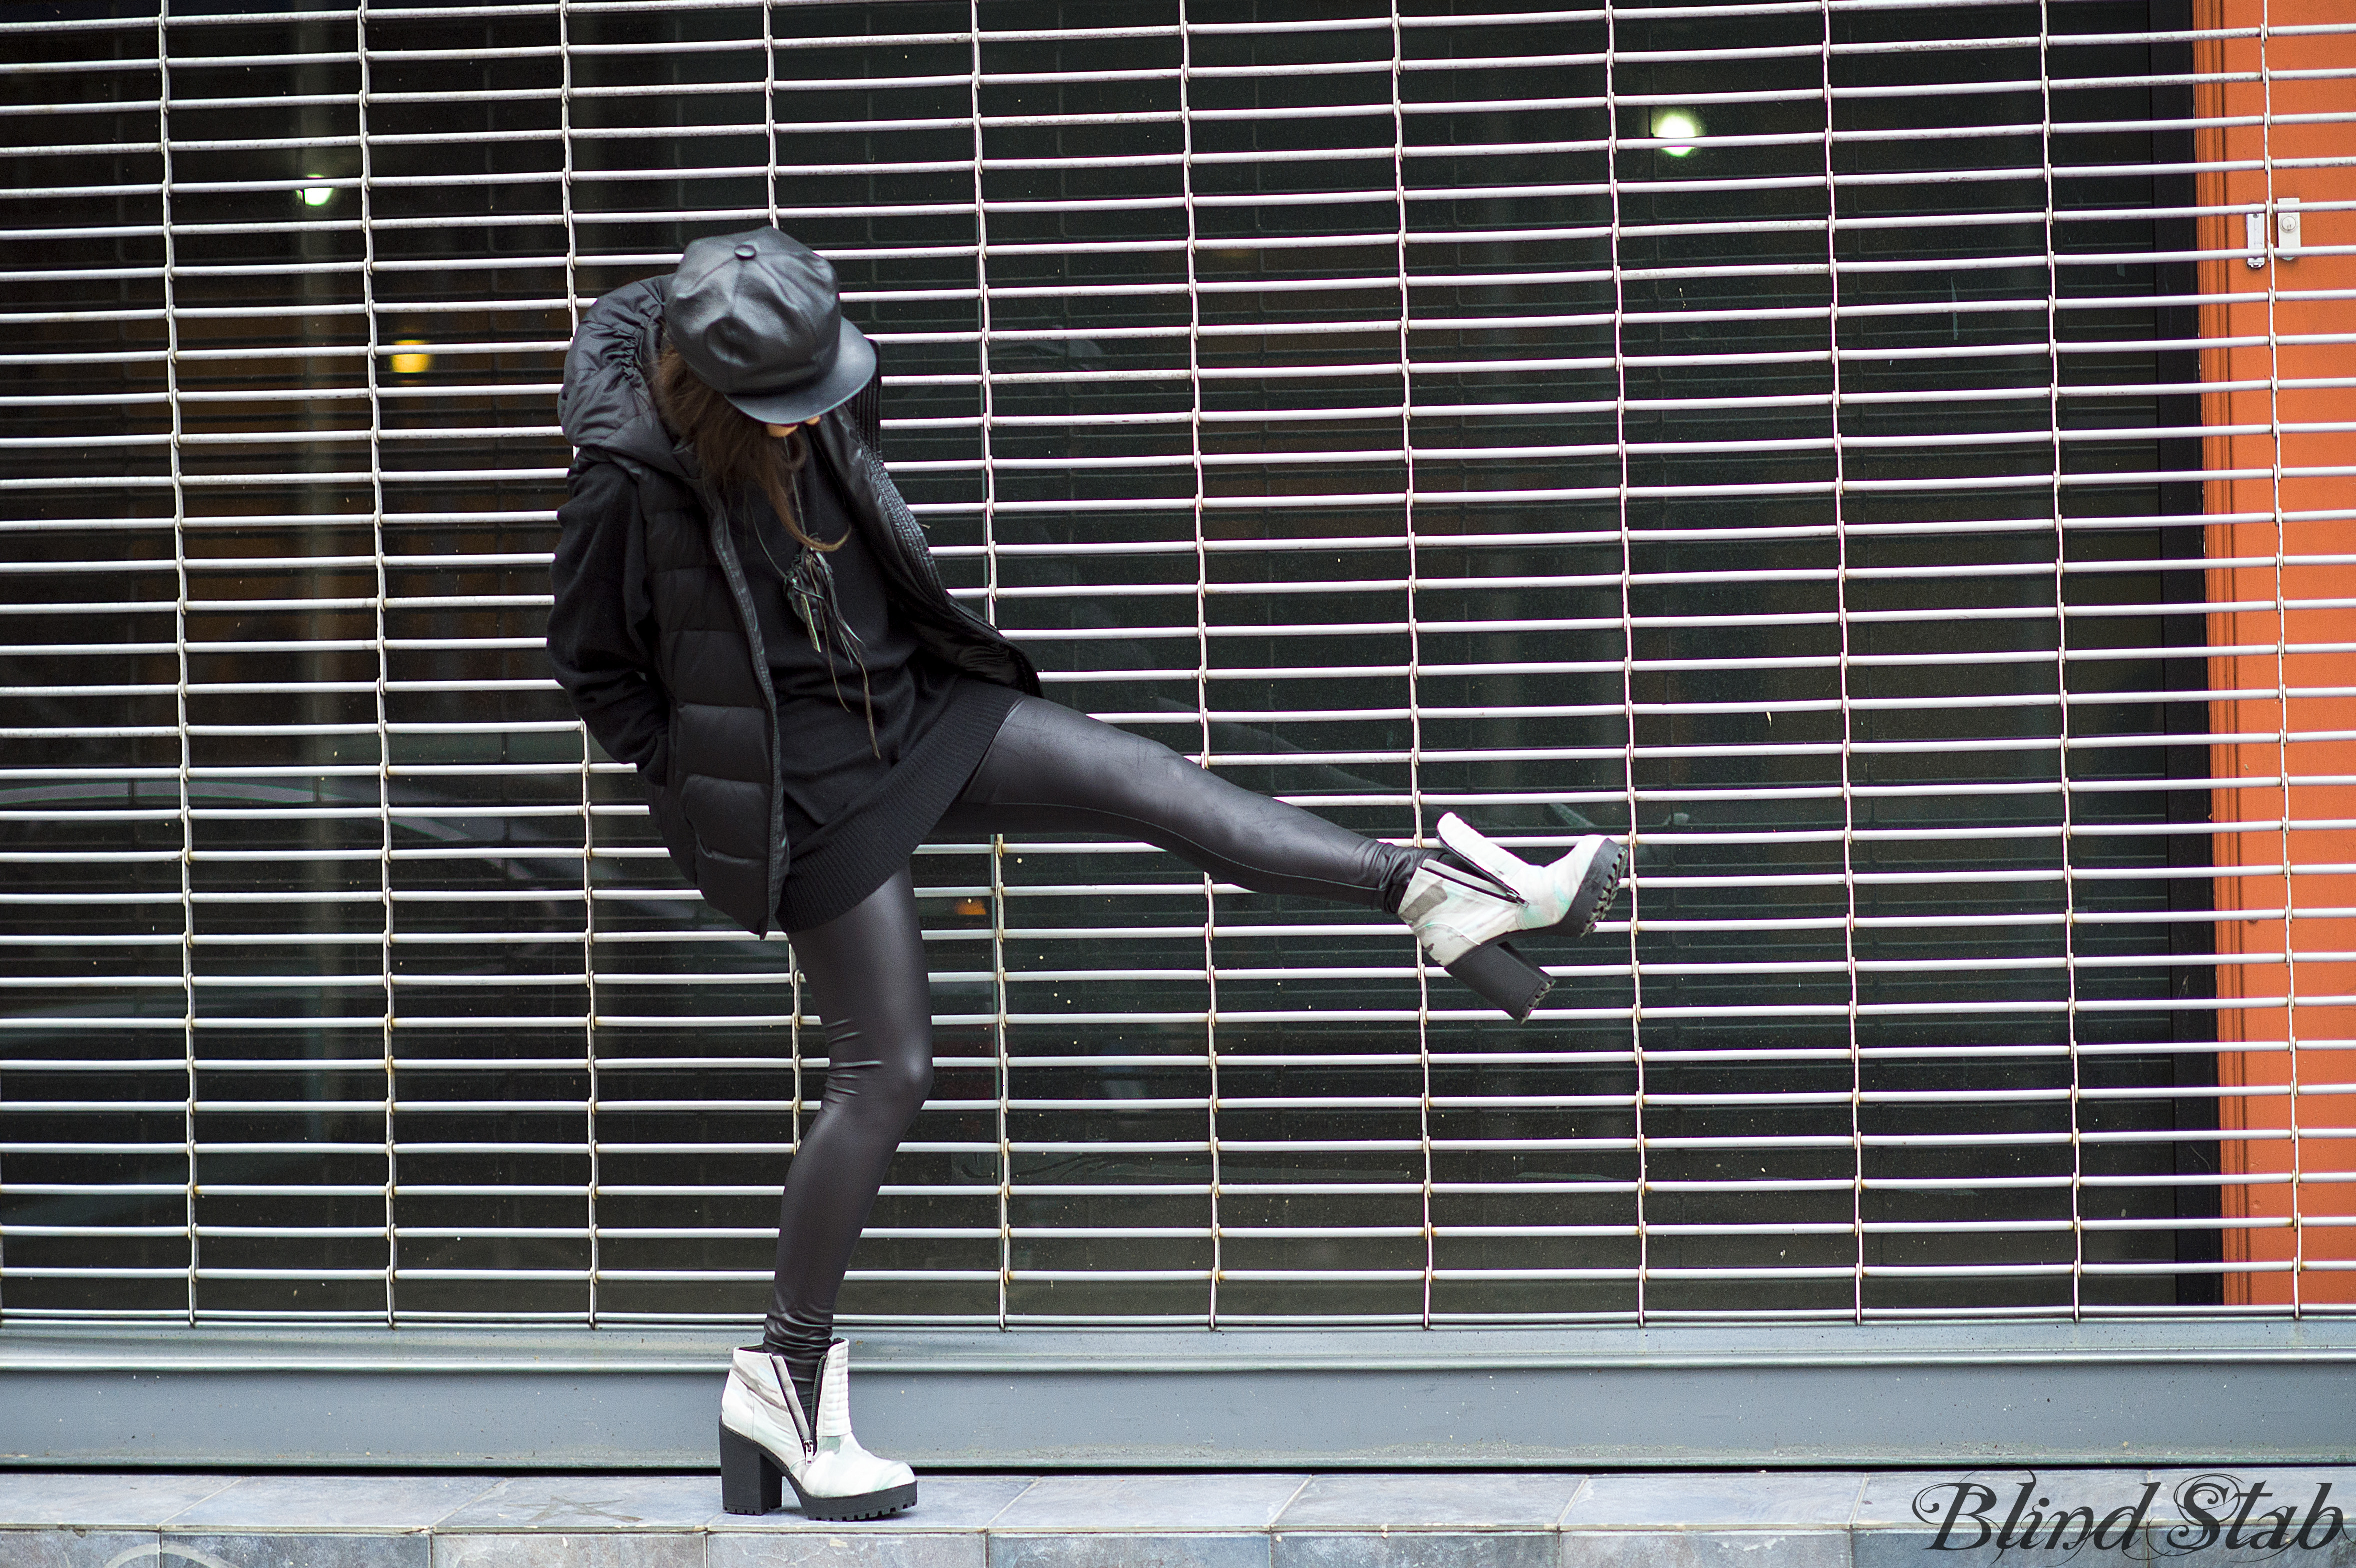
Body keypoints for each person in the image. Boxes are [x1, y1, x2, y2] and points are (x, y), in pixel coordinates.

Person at [547, 227, 1624, 1521]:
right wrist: (721, 785)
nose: (806, 428)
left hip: (914, 708)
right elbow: (597, 671)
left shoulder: (808, 376)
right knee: (888, 1068)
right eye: (777, 418)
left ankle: (1433, 893)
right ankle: (778, 1381)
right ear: (711, 397)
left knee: (1149, 782)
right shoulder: (627, 479)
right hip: (806, 781)